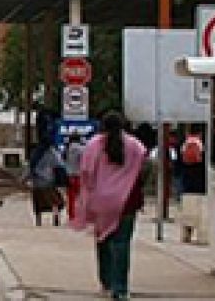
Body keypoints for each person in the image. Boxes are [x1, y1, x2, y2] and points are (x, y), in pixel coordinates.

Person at [71, 111, 147, 301]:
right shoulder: (135, 145)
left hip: (101, 202)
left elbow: (86, 173)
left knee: (103, 241)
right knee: (122, 245)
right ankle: (120, 289)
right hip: (128, 201)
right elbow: (145, 168)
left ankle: (106, 282)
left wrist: (86, 198)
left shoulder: (94, 145)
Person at [26, 136, 65, 226]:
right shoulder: (53, 152)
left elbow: (30, 167)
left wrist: (24, 179)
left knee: (38, 203)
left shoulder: (35, 153)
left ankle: (38, 220)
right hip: (49, 181)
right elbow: (60, 164)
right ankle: (56, 216)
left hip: (37, 183)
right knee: (54, 201)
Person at [179, 125, 207, 243]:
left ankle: (186, 235)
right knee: (201, 213)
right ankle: (202, 237)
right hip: (200, 185)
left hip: (186, 185)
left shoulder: (183, 145)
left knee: (187, 212)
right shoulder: (203, 145)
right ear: (200, 133)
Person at [64, 131, 85, 221]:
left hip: (69, 175)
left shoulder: (67, 149)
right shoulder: (82, 148)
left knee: (71, 197)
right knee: (80, 196)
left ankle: (71, 215)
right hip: (79, 175)